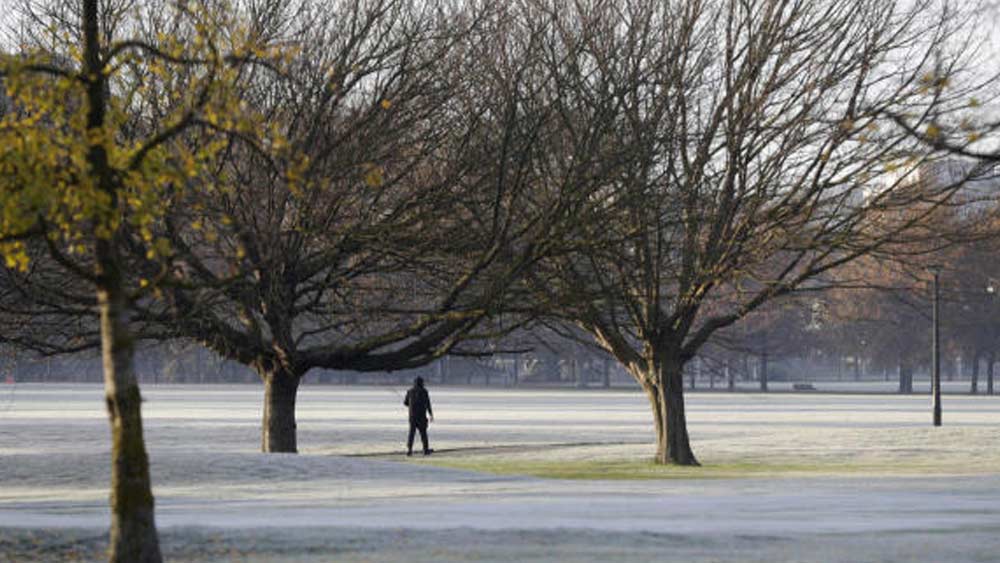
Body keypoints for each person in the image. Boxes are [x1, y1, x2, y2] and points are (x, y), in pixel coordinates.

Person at [403, 376, 434, 456]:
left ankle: (409, 450)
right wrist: (431, 414)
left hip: (412, 417)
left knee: (411, 434)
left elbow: (405, 403)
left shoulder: (410, 391)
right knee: (423, 434)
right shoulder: (424, 391)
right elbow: (428, 404)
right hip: (421, 416)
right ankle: (425, 450)